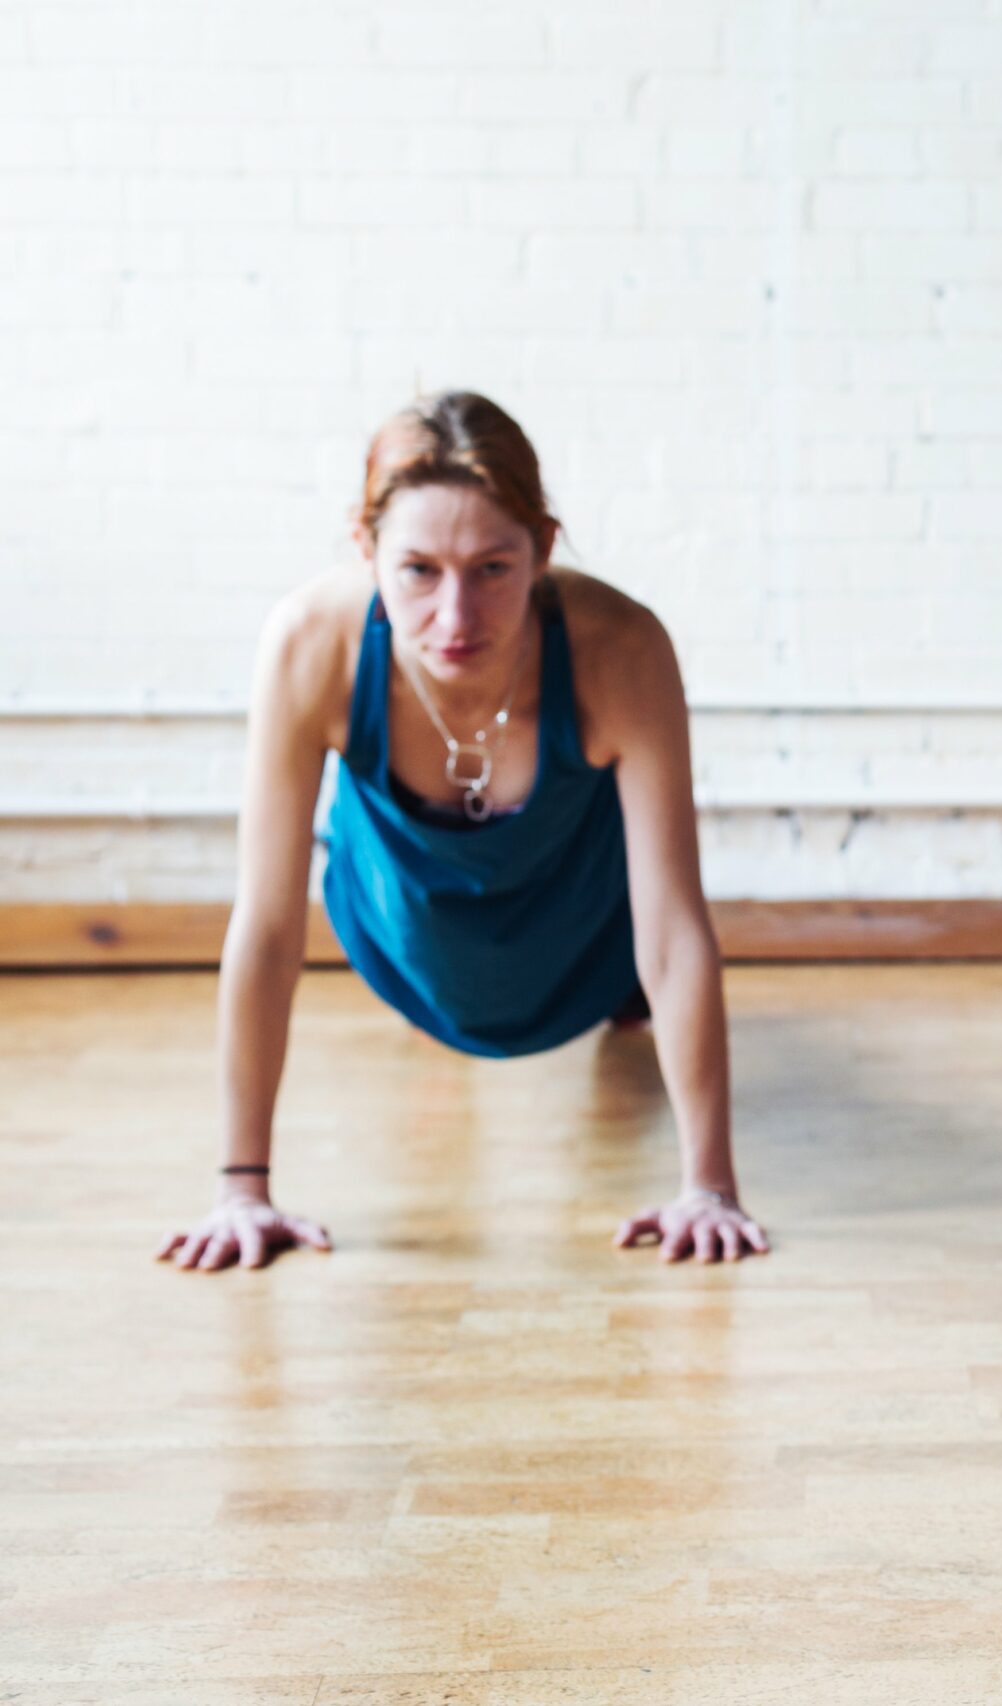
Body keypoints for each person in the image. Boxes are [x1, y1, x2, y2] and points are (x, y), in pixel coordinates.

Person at [158, 392, 767, 1271]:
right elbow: (265, 922)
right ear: (365, 551)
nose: (456, 617)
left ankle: (610, 1003)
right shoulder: (308, 642)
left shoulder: (620, 646)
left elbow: (672, 922)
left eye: (491, 568)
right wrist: (241, 1187)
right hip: (404, 930)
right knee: (427, 958)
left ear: (543, 550)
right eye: (417, 571)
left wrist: (708, 1187)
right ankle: (446, 997)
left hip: (585, 929)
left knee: (635, 981)